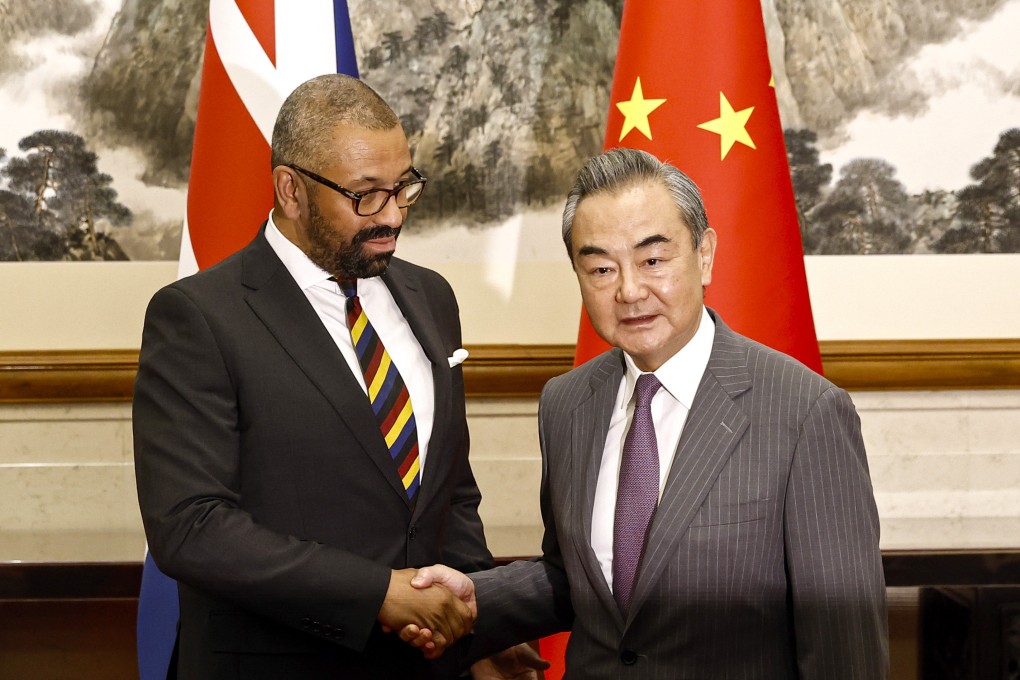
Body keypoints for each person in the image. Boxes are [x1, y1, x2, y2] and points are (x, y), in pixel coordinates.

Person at [405, 147, 889, 678]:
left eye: (653, 260)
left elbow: (846, 648)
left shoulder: (806, 412)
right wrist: (474, 598)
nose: (630, 290)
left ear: (704, 255)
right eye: (601, 268)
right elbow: (578, 579)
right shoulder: (566, 403)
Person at [133, 74, 542, 679]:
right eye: (366, 194)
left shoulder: (431, 297)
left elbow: (448, 491)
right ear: (290, 189)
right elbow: (191, 528)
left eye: (404, 186)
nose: (394, 214)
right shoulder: (198, 317)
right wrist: (378, 592)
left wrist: (479, 627)